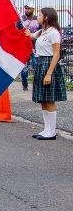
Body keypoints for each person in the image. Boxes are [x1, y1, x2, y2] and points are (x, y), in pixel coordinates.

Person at [24, 7, 67, 140]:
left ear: (47, 17)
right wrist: (25, 32)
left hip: (48, 65)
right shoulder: (42, 31)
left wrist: (49, 73)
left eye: (40, 15)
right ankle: (46, 129)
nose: (38, 17)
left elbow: (56, 54)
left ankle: (52, 131)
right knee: (43, 99)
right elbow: (31, 36)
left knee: (49, 99)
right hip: (40, 63)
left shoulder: (53, 33)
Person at [18, 1, 41, 91]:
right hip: (24, 46)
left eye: (29, 8)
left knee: (36, 66)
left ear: (33, 9)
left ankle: (38, 84)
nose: (27, 10)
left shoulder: (37, 19)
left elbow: (41, 31)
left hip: (35, 46)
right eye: (26, 8)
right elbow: (17, 30)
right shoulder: (21, 19)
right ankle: (25, 84)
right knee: (24, 67)